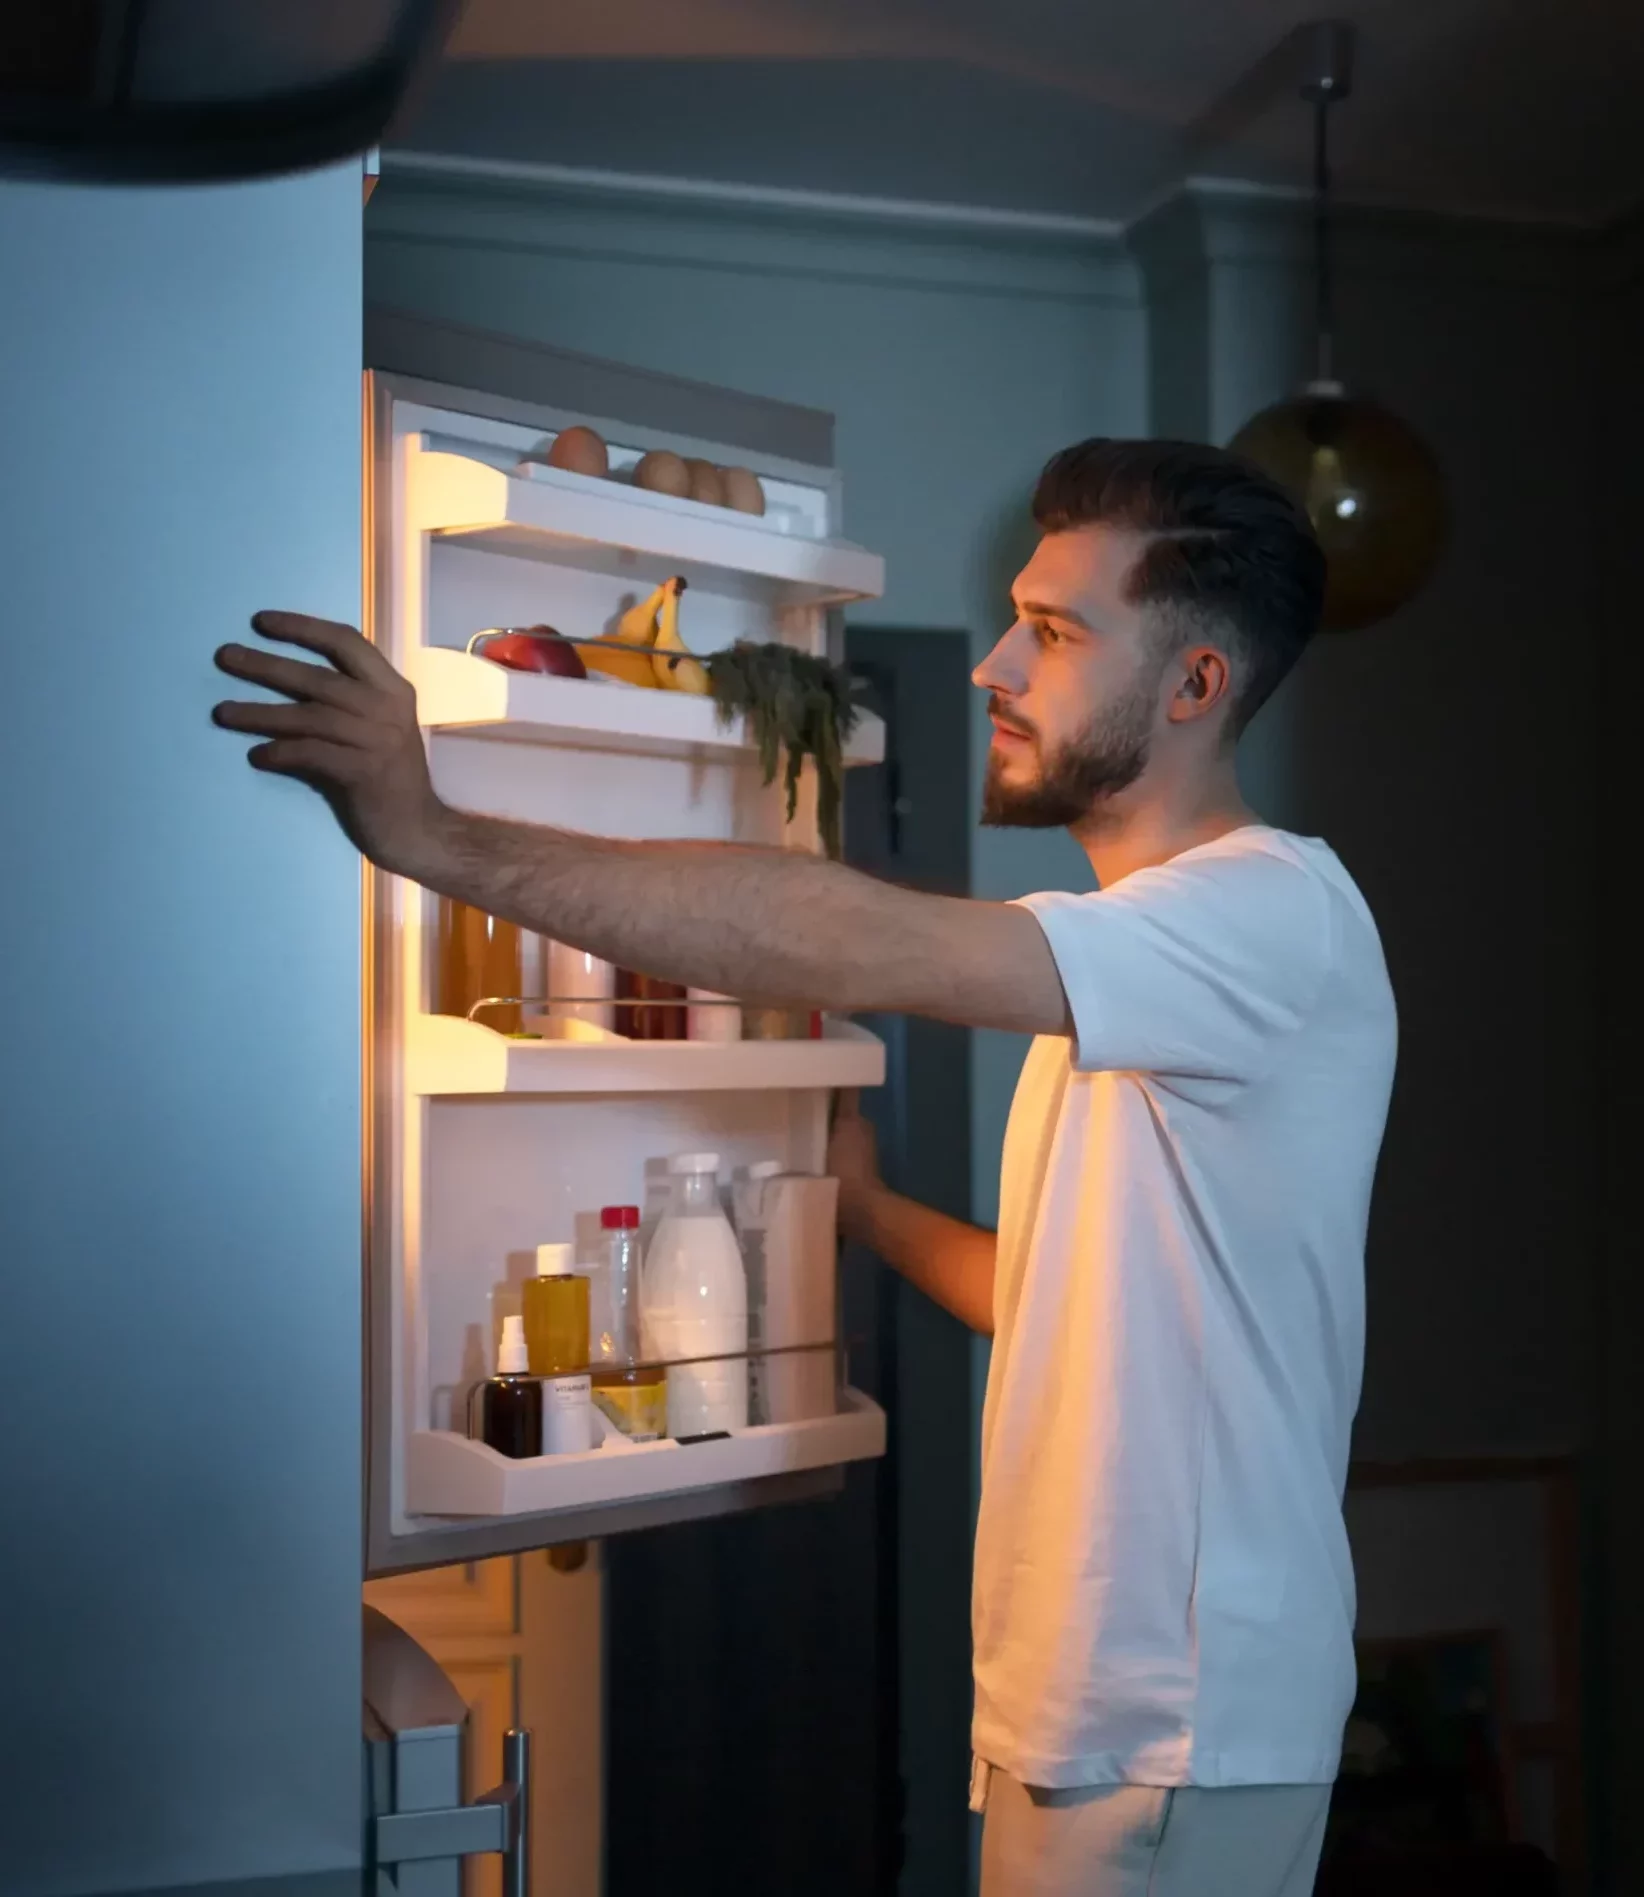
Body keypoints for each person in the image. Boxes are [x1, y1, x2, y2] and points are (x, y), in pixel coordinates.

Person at [214, 437, 1396, 1897]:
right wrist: (871, 1210)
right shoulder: (1150, 970)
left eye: (1058, 629)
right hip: (1096, 1716)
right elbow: (1060, 1298)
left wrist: (431, 832)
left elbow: (856, 936)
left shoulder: (1268, 918)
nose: (995, 666)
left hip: (1175, 1725)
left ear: (1195, 685)